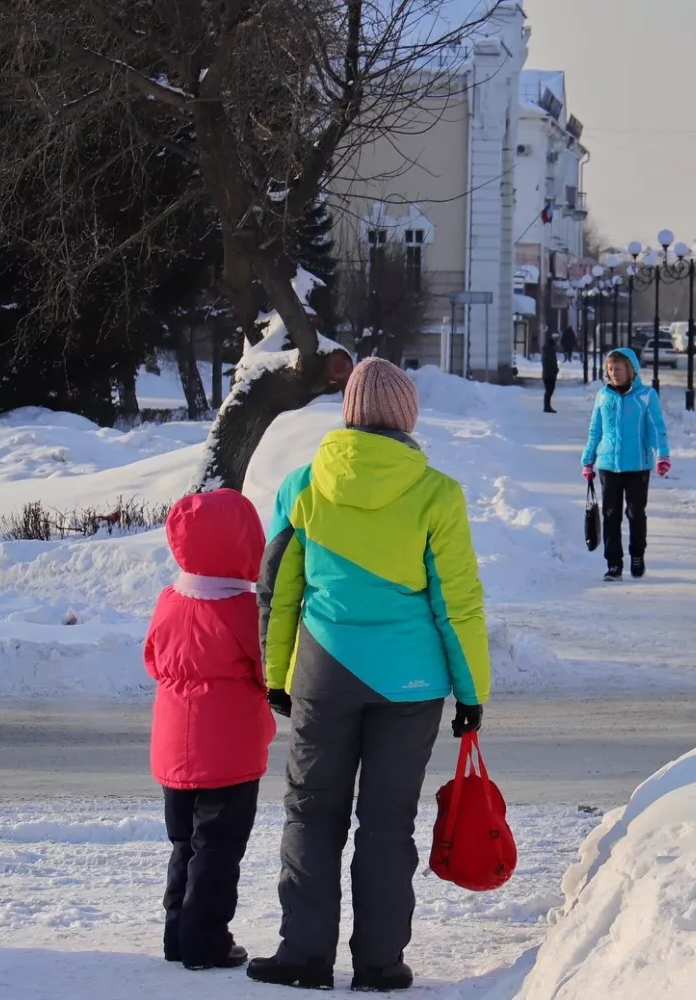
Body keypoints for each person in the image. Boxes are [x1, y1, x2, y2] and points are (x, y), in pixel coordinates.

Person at [250, 358, 491, 993]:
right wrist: (471, 692)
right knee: (388, 823)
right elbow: (457, 601)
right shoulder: (438, 494)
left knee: (310, 811)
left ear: (349, 415)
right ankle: (380, 965)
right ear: (407, 418)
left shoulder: (302, 485)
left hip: (324, 672)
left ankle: (303, 957)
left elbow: (278, 592)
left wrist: (277, 675)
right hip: (411, 685)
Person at [145, 489, 276, 973]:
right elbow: (269, 670)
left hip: (172, 752)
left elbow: (153, 659)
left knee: (185, 844)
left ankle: (176, 934)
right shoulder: (244, 611)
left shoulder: (170, 600)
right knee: (218, 850)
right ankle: (205, 941)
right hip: (229, 754)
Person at [581, 347, 670, 581]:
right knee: (611, 515)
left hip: (638, 465)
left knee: (635, 512)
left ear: (631, 370)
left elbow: (656, 428)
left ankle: (637, 554)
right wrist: (587, 460)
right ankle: (613, 564)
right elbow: (595, 430)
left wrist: (662, 455)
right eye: (610, 369)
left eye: (618, 369)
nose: (613, 373)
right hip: (608, 464)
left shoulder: (646, 396)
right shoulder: (603, 396)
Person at [542, 329, 560, 414]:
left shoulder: (547, 351)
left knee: (549, 391)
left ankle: (547, 406)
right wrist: (555, 369)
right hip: (549, 374)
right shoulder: (550, 352)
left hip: (548, 373)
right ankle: (547, 406)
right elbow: (550, 362)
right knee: (549, 390)